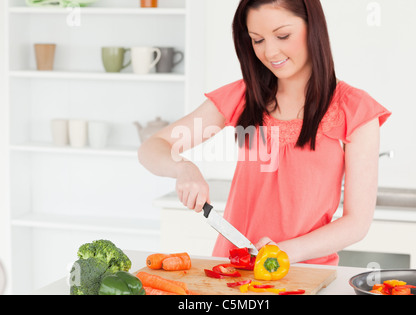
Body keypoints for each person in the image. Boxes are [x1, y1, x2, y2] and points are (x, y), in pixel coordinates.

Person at [138, 0, 391, 266]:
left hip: (306, 274)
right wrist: (184, 169)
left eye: (282, 35)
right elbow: (153, 146)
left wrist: (282, 253)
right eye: (257, 40)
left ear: (313, 27)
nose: (270, 52)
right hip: (233, 269)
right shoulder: (244, 96)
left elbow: (357, 223)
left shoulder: (355, 109)